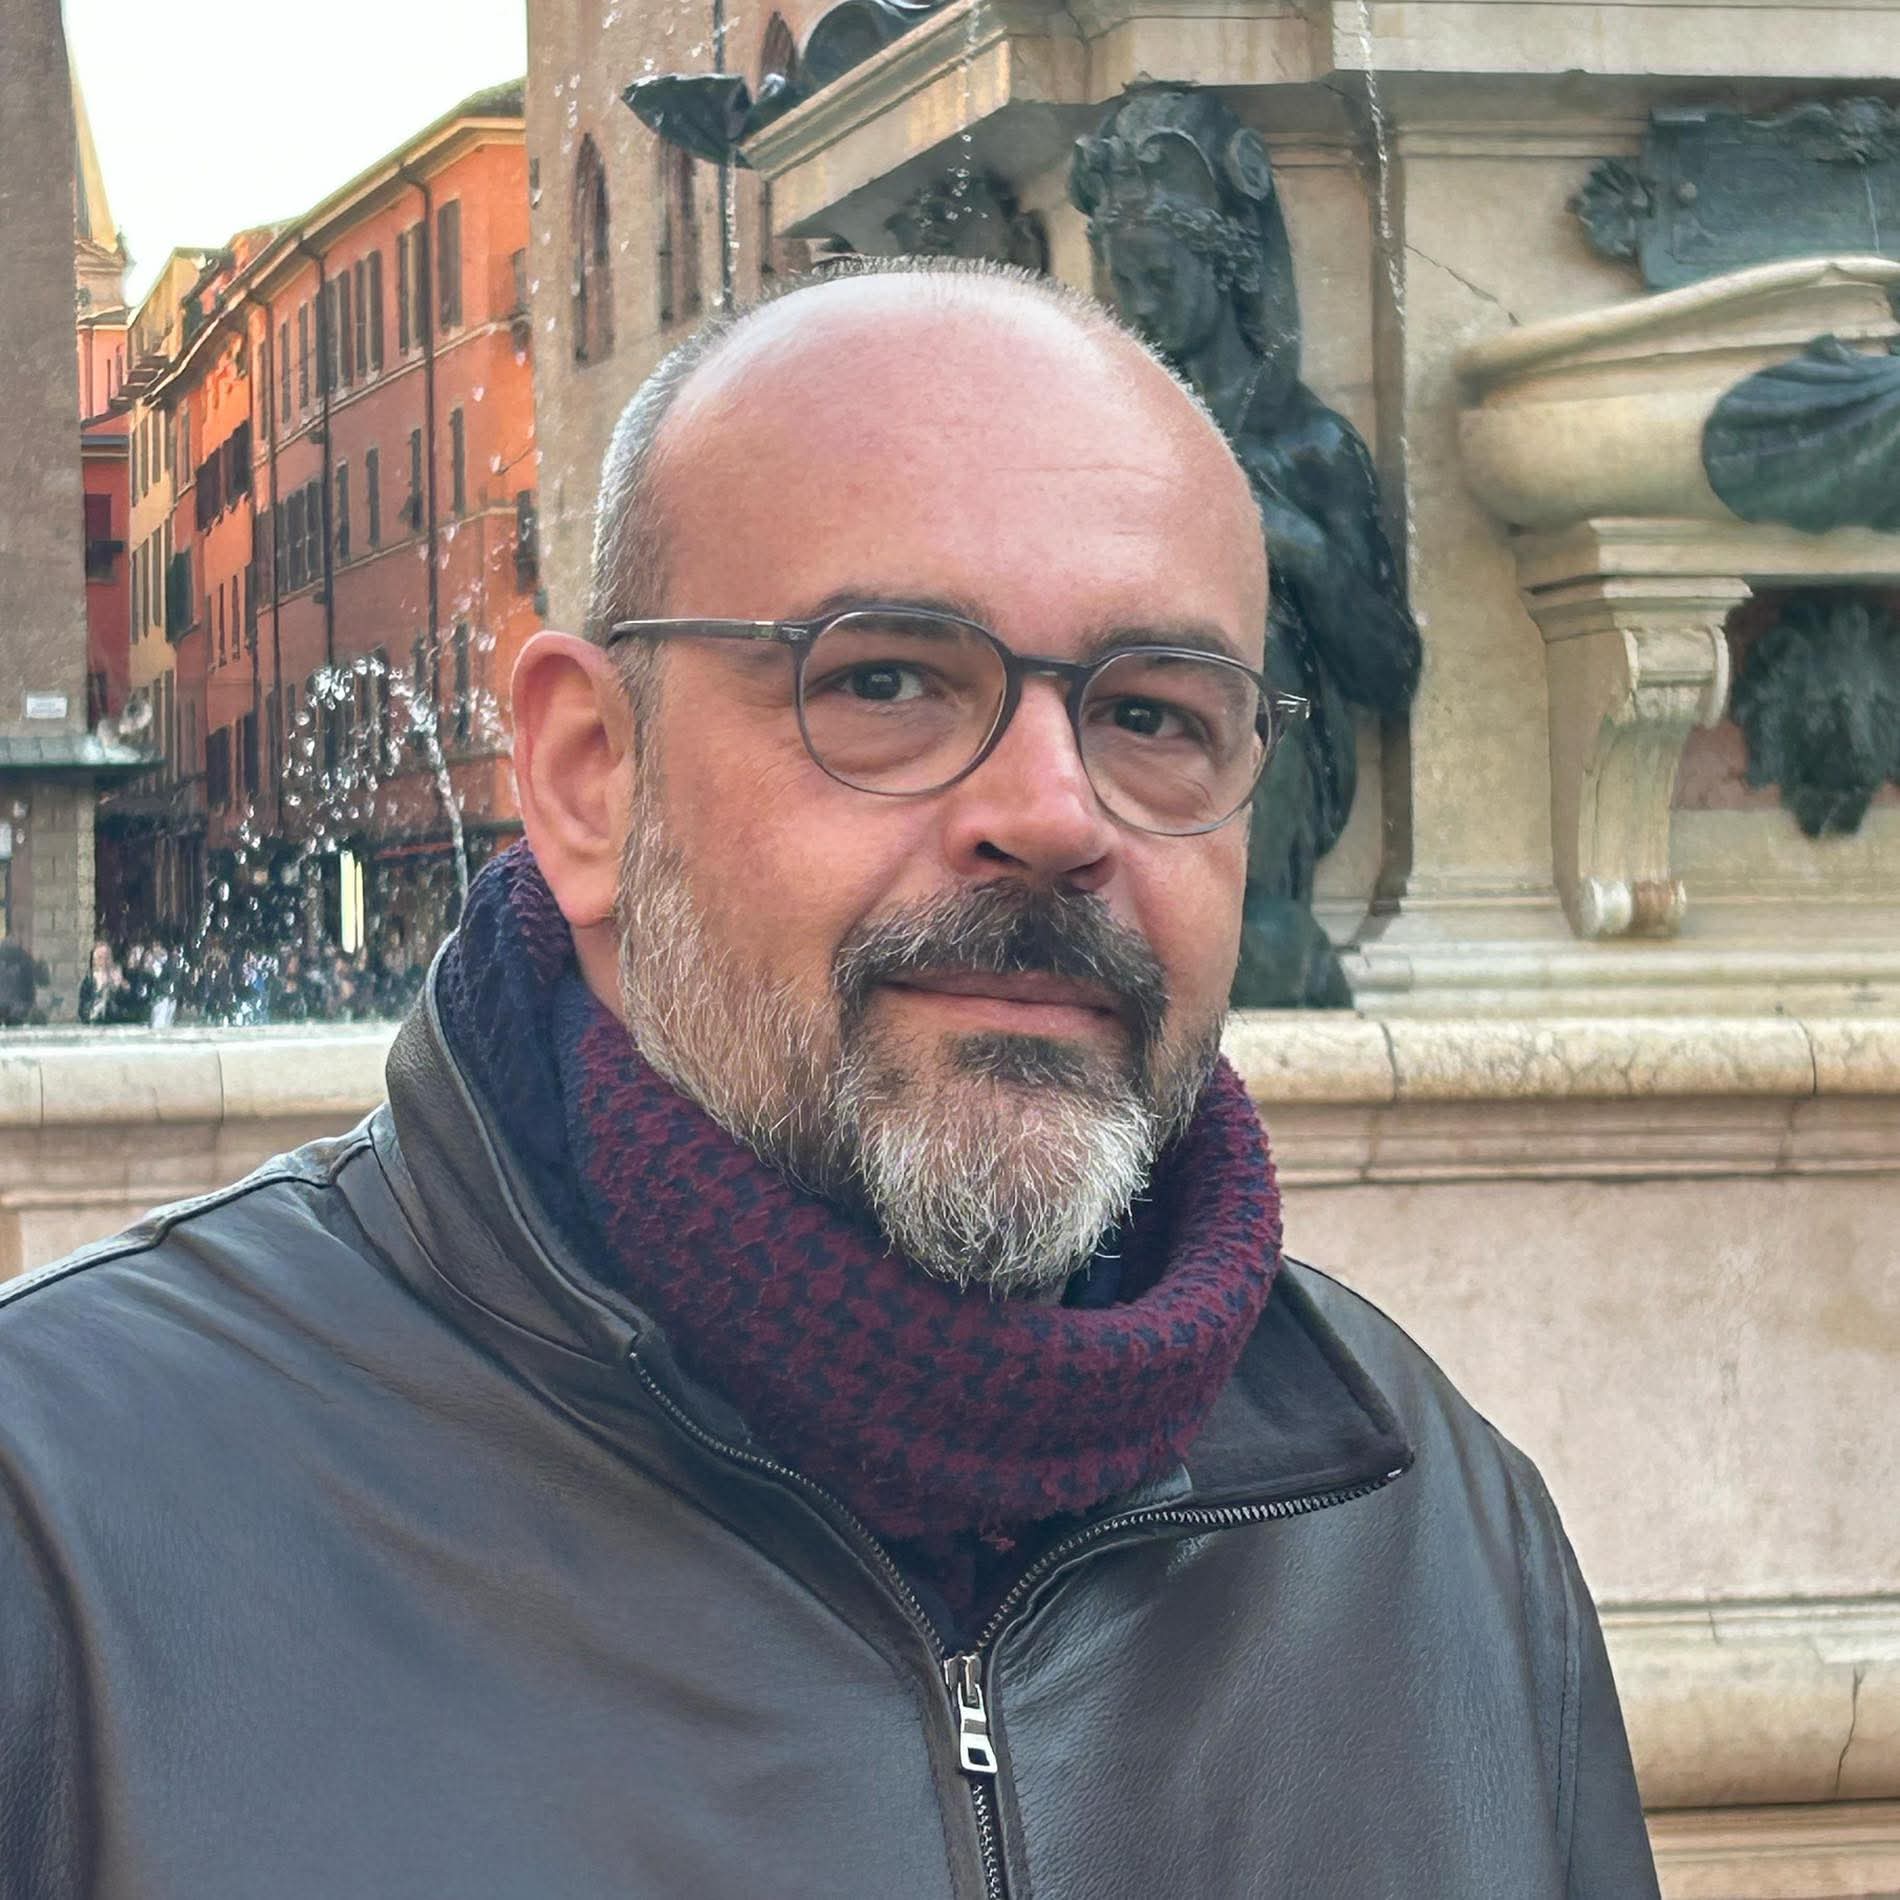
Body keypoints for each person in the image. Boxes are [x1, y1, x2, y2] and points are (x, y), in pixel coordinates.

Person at [0, 261, 1658, 1898]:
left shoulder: (1434, 1519)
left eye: (1155, 715)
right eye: (885, 681)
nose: (1055, 814)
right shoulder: (63, 1524)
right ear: (588, 777)